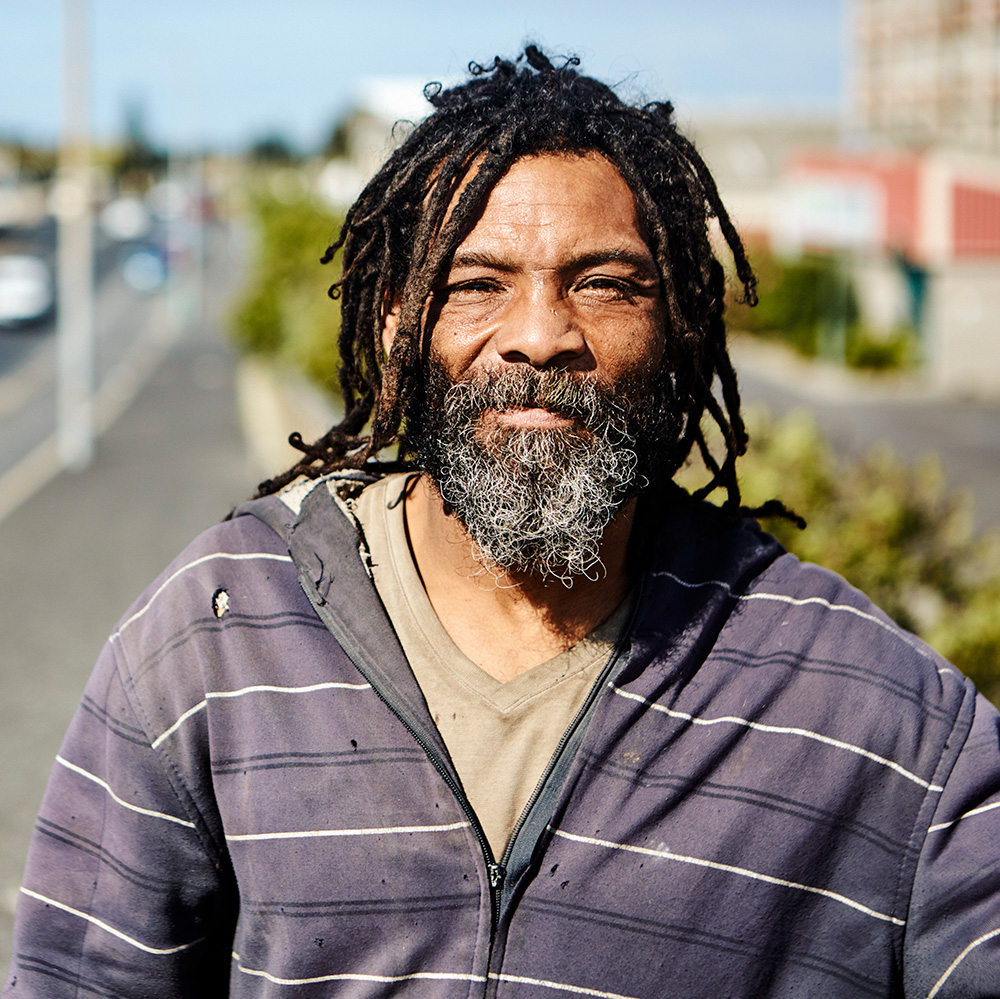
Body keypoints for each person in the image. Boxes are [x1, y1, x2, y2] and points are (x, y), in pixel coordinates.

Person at [5, 46, 1000, 999]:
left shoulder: (873, 715)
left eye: (603, 283)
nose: (538, 336)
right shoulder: (215, 638)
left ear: (680, 324)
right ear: (397, 323)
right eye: (475, 283)